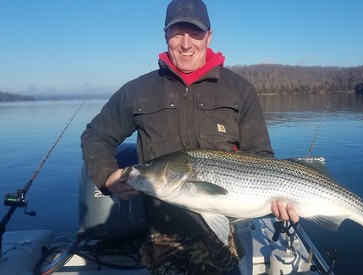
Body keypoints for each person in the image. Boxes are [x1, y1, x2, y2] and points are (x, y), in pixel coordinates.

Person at [81, 0, 298, 273]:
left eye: (195, 33)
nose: (186, 44)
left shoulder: (239, 90)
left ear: (209, 35)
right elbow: (96, 135)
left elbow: (261, 158)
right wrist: (107, 175)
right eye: (177, 33)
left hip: (226, 234)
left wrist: (280, 197)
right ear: (165, 35)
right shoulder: (137, 91)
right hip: (164, 236)